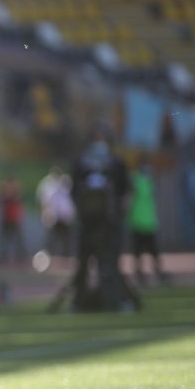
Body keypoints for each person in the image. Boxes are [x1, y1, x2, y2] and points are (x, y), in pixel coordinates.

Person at [69, 128, 138, 311]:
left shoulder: (116, 164)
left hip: (110, 225)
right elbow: (74, 192)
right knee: (84, 265)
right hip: (87, 224)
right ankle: (79, 303)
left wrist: (118, 213)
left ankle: (115, 302)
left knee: (110, 264)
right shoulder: (81, 164)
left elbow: (127, 192)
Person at [128, 155, 167, 285]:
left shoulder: (150, 180)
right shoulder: (135, 180)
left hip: (149, 221)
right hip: (138, 220)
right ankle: (139, 273)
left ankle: (158, 272)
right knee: (138, 250)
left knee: (153, 250)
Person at [35, 165, 75, 258]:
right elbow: (43, 200)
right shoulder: (47, 184)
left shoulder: (65, 182)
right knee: (51, 238)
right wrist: (44, 212)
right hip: (52, 216)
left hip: (64, 216)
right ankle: (49, 255)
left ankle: (65, 255)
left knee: (65, 237)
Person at [0, 173, 26, 263]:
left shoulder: (16, 190)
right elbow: (0, 198)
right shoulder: (4, 190)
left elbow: (19, 199)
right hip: (6, 217)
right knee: (5, 238)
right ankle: (3, 255)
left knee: (17, 238)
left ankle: (21, 254)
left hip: (14, 217)